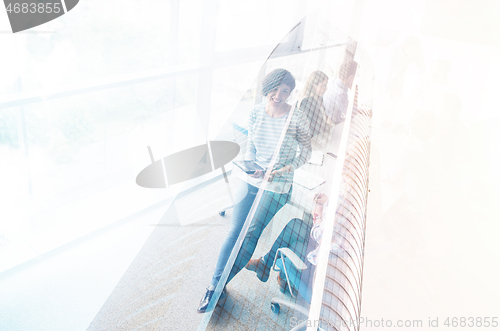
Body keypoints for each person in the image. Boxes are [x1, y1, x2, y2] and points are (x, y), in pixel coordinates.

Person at [197, 69, 312, 313]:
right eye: (276, 89)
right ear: (267, 87)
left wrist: (282, 170)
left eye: (285, 91)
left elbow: (307, 153)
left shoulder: (297, 118)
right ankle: (215, 286)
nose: (279, 95)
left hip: (278, 184)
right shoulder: (257, 111)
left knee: (250, 234)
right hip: (253, 178)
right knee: (234, 232)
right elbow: (251, 147)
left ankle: (216, 288)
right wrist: (252, 166)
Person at [299, 71, 330, 141]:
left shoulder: (319, 99)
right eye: (323, 86)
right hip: (312, 142)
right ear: (313, 85)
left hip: (321, 139)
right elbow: (311, 129)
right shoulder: (306, 102)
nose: (326, 89)